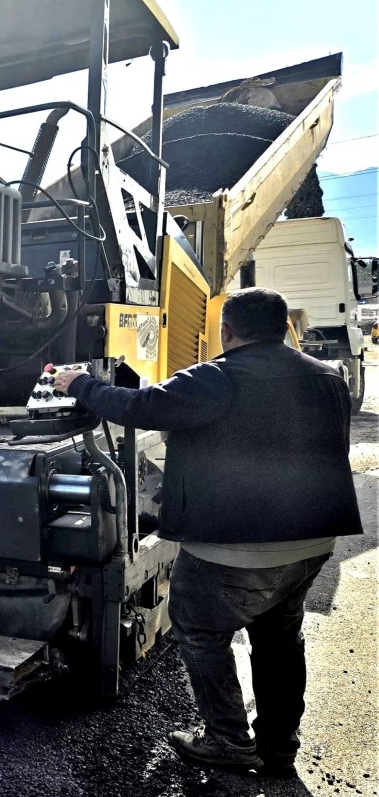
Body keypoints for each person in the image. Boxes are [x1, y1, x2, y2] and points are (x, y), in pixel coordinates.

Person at [53, 288, 362, 778]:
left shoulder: (218, 377)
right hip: (312, 542)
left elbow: (141, 406)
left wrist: (80, 384)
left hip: (234, 547)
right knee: (280, 639)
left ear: (226, 330)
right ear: (285, 328)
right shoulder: (327, 377)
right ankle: (280, 746)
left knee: (199, 628)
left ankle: (227, 741)